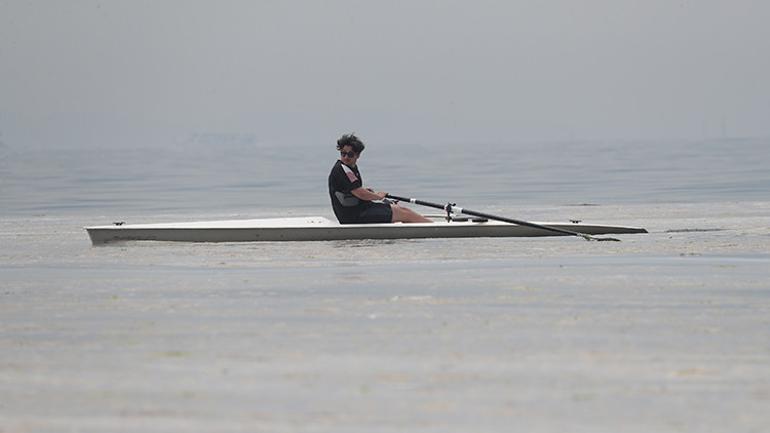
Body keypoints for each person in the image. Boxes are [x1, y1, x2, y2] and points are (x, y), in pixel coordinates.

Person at [328, 133, 432, 224]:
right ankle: (434, 228)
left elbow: (353, 190)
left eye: (350, 154)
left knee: (401, 210)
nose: (346, 157)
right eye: (343, 153)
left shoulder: (350, 168)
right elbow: (360, 194)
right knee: (405, 213)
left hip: (359, 210)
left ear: (357, 155)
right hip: (353, 216)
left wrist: (368, 192)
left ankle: (425, 229)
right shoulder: (342, 169)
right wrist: (378, 197)